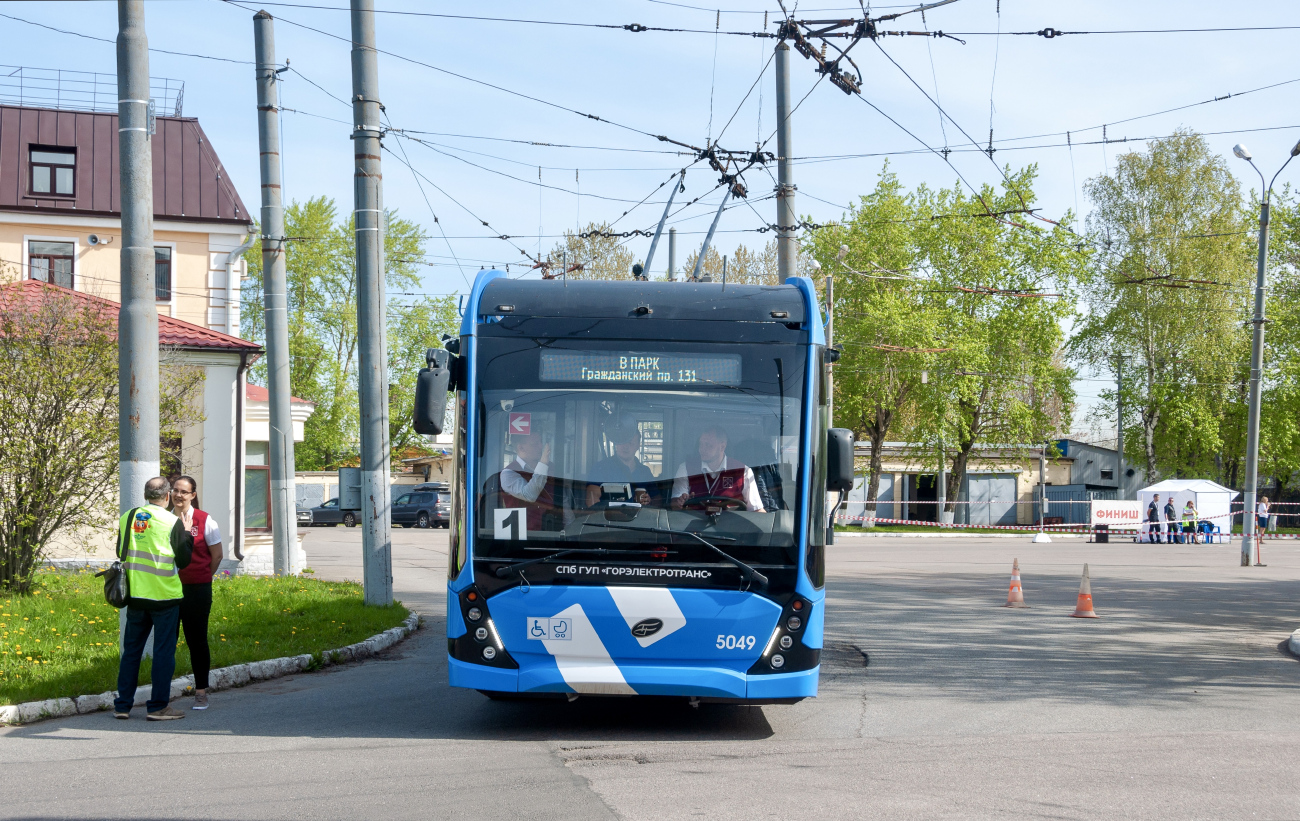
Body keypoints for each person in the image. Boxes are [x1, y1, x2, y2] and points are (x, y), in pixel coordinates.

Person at [114, 477, 194, 721]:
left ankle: (123, 706)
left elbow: (120, 552)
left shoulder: (128, 517)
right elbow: (183, 561)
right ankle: (158, 707)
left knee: (131, 652)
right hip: (164, 596)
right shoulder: (172, 522)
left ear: (146, 495)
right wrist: (188, 533)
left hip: (136, 595)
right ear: (167, 496)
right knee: (162, 653)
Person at [168, 475, 222, 711]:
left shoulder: (205, 520)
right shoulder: (164, 519)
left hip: (197, 589)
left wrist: (201, 576)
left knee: (196, 640)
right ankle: (162, 693)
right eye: (175, 490)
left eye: (184, 491)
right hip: (167, 589)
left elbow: (217, 555)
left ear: (193, 495)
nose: (179, 495)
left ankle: (201, 692)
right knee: (167, 641)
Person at [671, 426, 766, 512]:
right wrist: (680, 502)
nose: (701, 449)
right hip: (692, 529)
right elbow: (674, 505)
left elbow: (756, 511)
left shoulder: (742, 471)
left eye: (708, 445)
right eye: (701, 444)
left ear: (722, 447)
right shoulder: (686, 468)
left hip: (731, 528)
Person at [586, 422, 656, 508]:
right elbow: (592, 499)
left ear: (638, 446)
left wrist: (650, 501)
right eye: (623, 442)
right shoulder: (601, 468)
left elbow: (658, 501)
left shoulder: (645, 471)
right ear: (616, 443)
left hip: (640, 519)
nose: (626, 446)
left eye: (630, 443)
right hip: (608, 520)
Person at [500, 432, 558, 529]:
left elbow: (563, 499)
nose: (540, 447)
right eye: (535, 444)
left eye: (541, 442)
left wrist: (570, 526)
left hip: (554, 530)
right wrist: (543, 463)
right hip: (524, 535)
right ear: (521, 448)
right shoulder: (509, 473)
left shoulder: (550, 467)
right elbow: (529, 495)